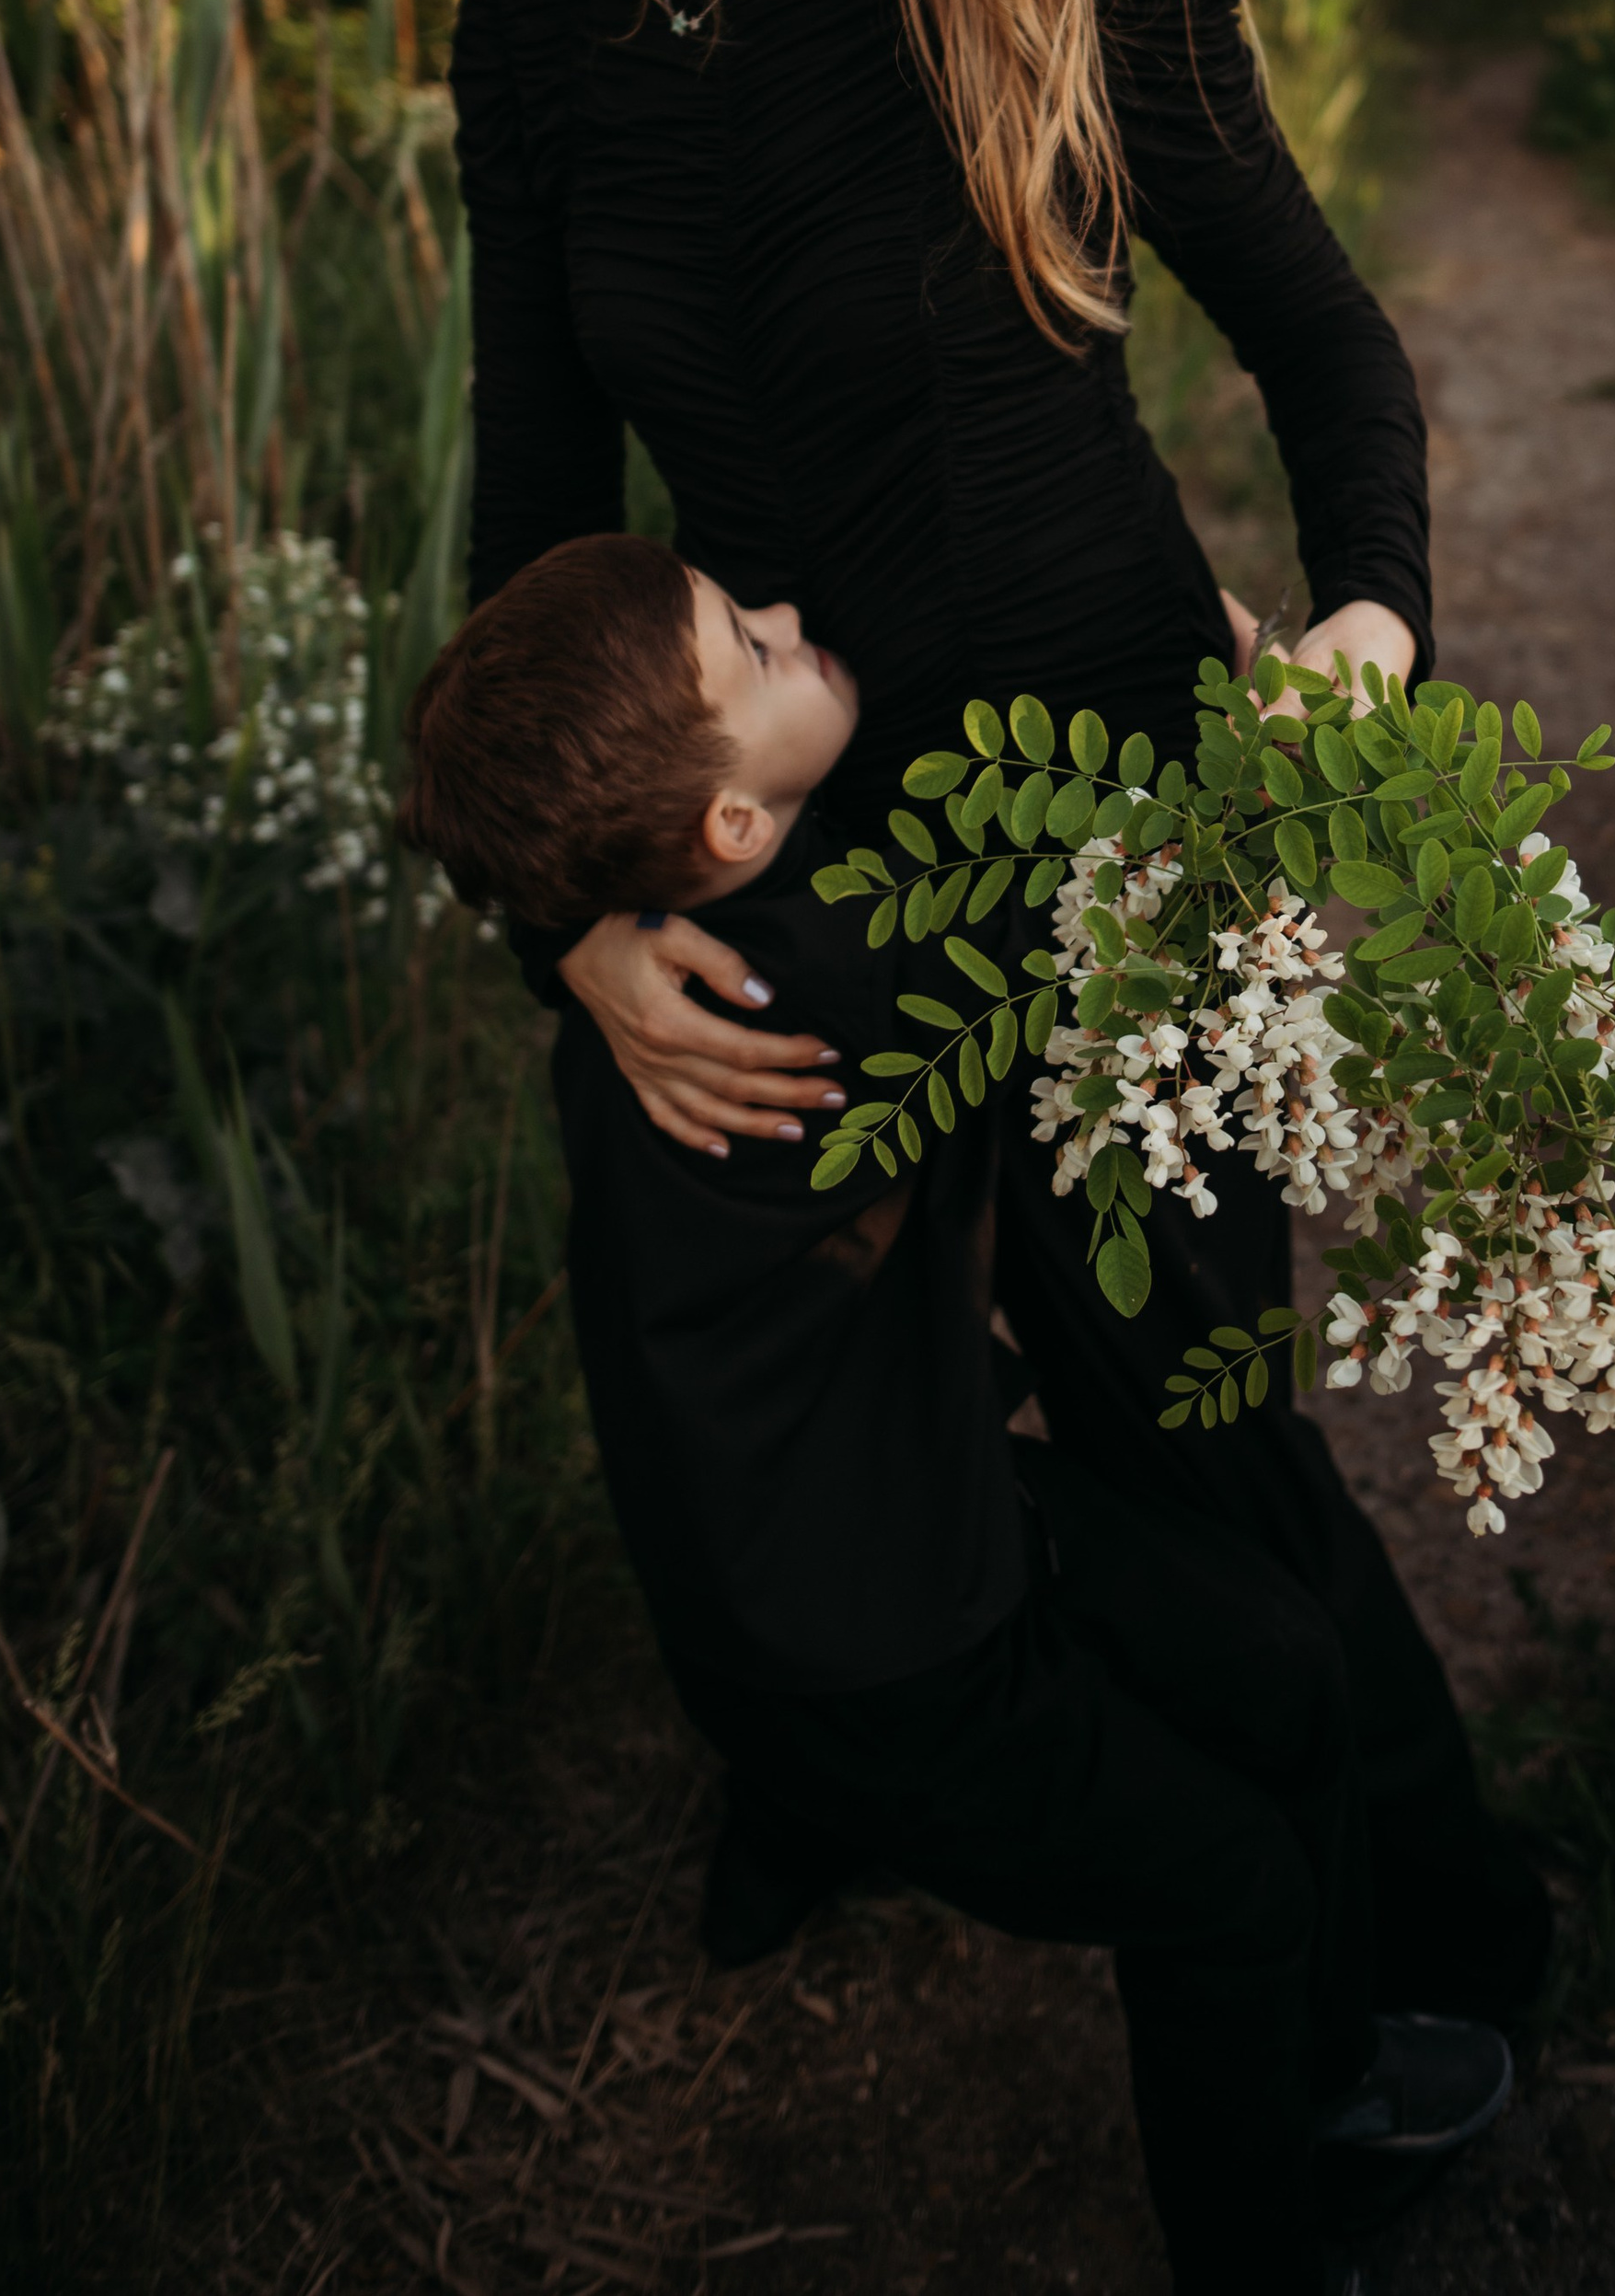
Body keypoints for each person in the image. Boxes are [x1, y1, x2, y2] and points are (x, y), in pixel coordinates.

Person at [450, 0, 1551, 2056]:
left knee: (1188, 1429)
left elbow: (1323, 339)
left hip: (1139, 844)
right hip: (803, 872)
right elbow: (532, 535)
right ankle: (833, 1768)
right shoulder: (543, 29)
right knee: (808, 1462)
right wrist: (561, 931)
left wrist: (1367, 632)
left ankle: (1421, 1958)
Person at [396, 528, 1514, 2293]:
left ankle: (1316, 2061)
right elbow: (1138, 887)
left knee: (1282, 1662)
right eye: (754, 649)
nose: (791, 620)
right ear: (733, 832)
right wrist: (1223, 657)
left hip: (904, 1531)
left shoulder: (656, 979)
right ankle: (1278, 2227)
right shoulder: (837, 976)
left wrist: (570, 929)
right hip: (883, 1650)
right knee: (1227, 1887)